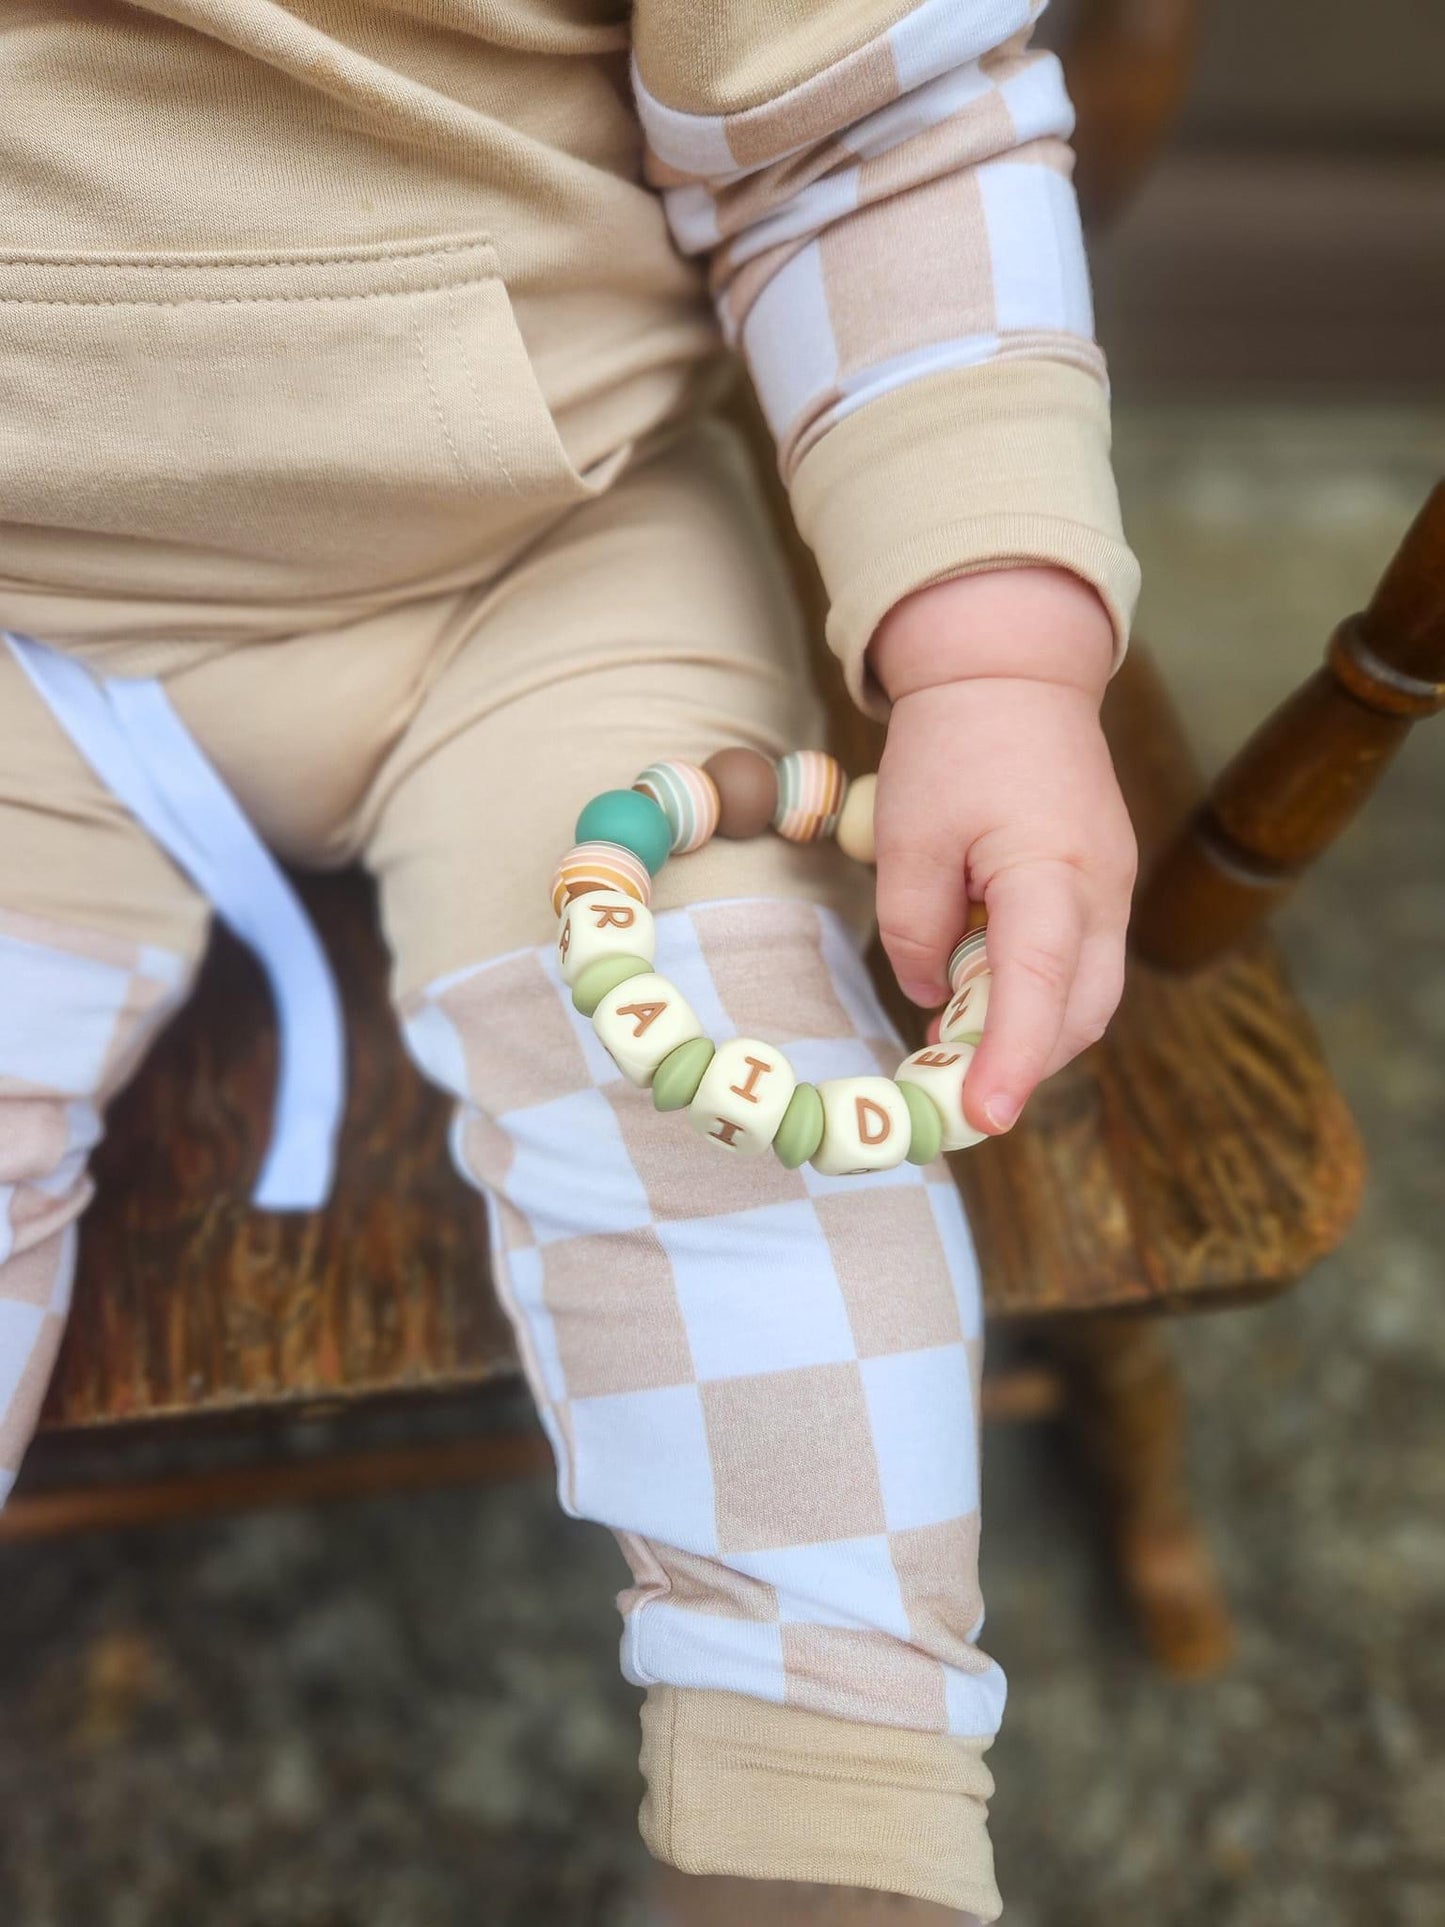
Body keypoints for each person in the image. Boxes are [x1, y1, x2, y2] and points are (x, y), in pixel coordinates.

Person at [0, 3, 1139, 1919]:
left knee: (729, 1116)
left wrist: (994, 654)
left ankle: (822, 1808)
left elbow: (878, 139)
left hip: (541, 549)